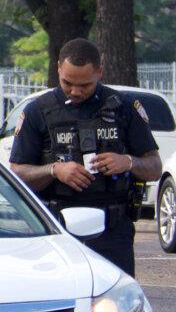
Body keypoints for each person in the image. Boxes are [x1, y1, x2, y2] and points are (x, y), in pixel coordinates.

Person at [9, 38, 162, 277]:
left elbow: (154, 167)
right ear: (58, 67)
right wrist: (54, 170)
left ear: (100, 70)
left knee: (115, 303)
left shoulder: (124, 108)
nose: (76, 91)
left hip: (112, 229)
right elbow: (16, 172)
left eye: (85, 85)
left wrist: (128, 162)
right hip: (57, 229)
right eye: (67, 83)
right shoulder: (38, 111)